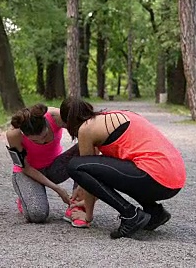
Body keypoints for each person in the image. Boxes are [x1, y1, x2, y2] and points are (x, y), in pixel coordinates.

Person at [60, 97, 186, 239]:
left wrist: (87, 215)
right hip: (173, 178)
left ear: (69, 123)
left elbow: (85, 169)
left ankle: (131, 215)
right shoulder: (113, 116)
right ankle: (154, 213)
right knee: (121, 168)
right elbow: (103, 173)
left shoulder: (85, 128)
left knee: (74, 166)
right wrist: (83, 186)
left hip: (157, 177)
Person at [6, 103, 88, 227]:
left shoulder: (57, 117)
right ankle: (26, 195)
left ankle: (76, 206)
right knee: (38, 215)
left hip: (53, 168)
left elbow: (88, 134)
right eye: (34, 141)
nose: (42, 141)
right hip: (28, 173)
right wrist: (58, 189)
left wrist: (82, 186)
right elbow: (25, 167)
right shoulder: (13, 134)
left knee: (85, 144)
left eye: (44, 136)